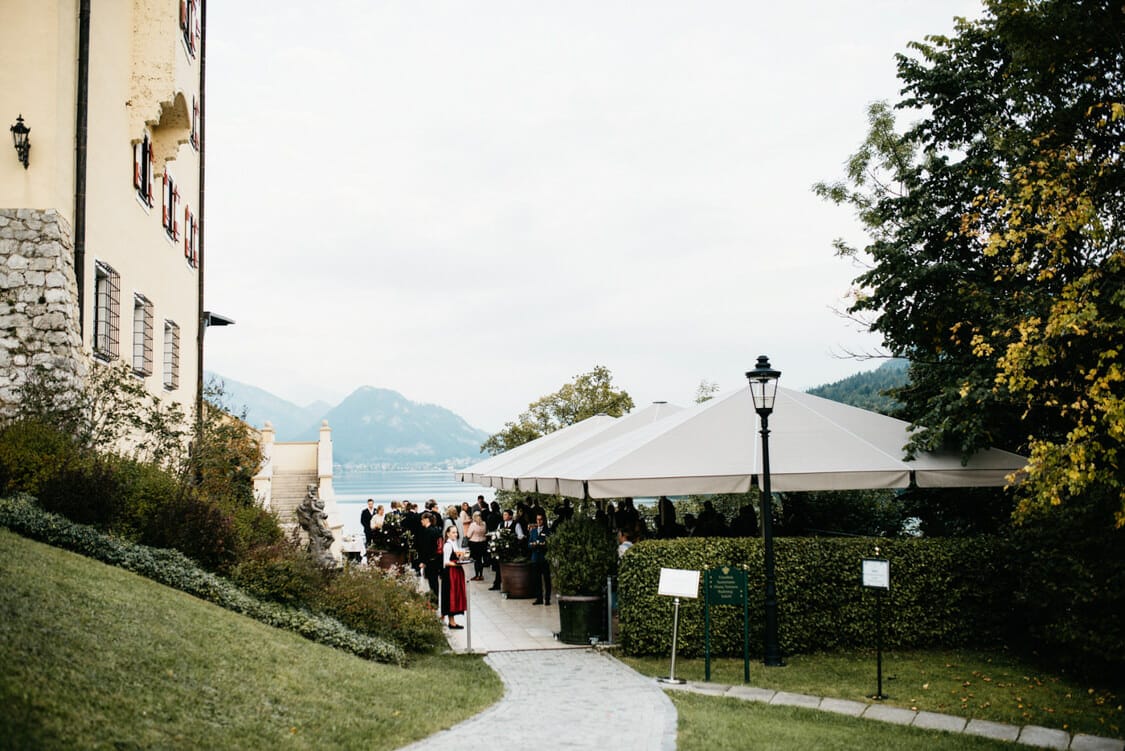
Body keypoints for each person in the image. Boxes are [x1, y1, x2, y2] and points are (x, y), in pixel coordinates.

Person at [440, 525, 468, 629]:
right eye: (453, 532)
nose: (455, 534)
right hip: (450, 573)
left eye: (456, 532)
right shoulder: (447, 545)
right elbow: (446, 562)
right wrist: (457, 563)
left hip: (456, 572)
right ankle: (450, 621)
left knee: (455, 595)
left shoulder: (454, 543)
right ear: (447, 534)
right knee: (450, 595)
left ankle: (452, 621)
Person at [418, 512, 443, 597]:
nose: (421, 521)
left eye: (422, 519)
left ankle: (434, 601)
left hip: (430, 559)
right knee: (435, 581)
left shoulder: (428, 531)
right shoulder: (436, 529)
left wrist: (423, 561)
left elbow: (426, 548)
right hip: (437, 558)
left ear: (426, 520)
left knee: (432, 582)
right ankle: (435, 600)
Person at [529, 513, 551, 605]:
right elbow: (529, 543)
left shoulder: (548, 531)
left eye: (540, 519)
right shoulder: (533, 531)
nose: (539, 521)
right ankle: (539, 598)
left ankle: (547, 598)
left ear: (544, 520)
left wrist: (543, 544)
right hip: (535, 557)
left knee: (546, 579)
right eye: (537, 519)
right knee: (536, 579)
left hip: (544, 557)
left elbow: (549, 543)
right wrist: (532, 545)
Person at [466, 511, 489, 581]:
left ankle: (476, 575)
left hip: (474, 543)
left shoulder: (473, 525)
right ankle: (481, 575)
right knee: (481, 560)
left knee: (476, 560)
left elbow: (468, 535)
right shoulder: (484, 524)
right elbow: (485, 532)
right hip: (483, 543)